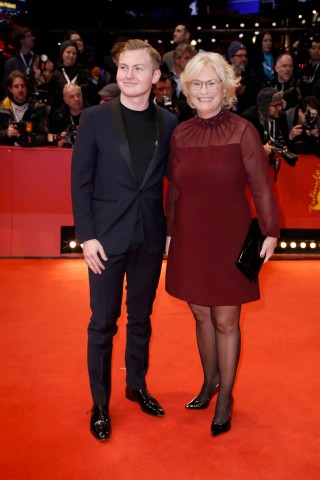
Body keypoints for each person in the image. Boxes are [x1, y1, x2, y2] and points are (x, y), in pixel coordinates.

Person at [165, 52, 279, 437]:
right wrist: (169, 232)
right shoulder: (179, 133)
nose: (204, 90)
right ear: (187, 90)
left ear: (226, 87)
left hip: (229, 236)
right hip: (190, 236)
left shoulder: (243, 130)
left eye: (212, 82)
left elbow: (261, 186)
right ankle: (209, 382)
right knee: (200, 314)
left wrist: (271, 231)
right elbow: (174, 190)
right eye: (196, 83)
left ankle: (226, 396)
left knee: (226, 320)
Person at [71, 39, 178, 442]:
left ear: (155, 77)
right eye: (122, 68)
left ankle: (136, 385)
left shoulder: (169, 123)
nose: (128, 75)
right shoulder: (96, 119)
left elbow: (177, 184)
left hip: (149, 238)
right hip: (105, 239)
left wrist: (171, 231)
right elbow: (80, 181)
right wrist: (87, 236)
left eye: (137, 69)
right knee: (101, 324)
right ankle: (100, 402)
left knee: (141, 319)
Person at [0, 70, 48, 146]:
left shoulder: (38, 108)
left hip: (31, 154)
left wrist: (29, 140)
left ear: (27, 88)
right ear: (10, 89)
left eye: (23, 86)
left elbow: (44, 137)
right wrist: (6, 134)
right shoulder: (2, 109)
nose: (20, 89)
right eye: (16, 86)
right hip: (8, 153)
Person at [48, 83, 89, 147]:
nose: (76, 99)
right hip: (65, 152)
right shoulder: (58, 115)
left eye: (78, 95)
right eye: (71, 97)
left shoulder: (92, 113)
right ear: (65, 100)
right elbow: (50, 138)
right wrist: (58, 143)